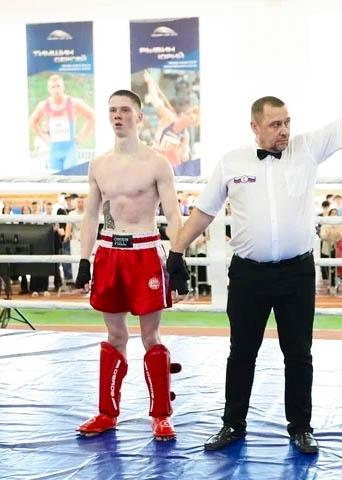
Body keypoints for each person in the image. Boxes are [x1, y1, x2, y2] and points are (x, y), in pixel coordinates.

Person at [166, 49, 342, 454]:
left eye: (288, 122)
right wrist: (177, 251)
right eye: (275, 124)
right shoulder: (231, 161)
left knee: (299, 354)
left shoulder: (306, 149)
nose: (284, 130)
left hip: (296, 274)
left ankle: (300, 427)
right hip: (248, 274)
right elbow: (204, 211)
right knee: (241, 353)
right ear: (255, 127)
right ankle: (232, 424)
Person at [75, 89, 183, 441]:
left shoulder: (156, 163)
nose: (117, 116)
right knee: (115, 335)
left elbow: (173, 214)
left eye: (124, 110)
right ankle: (107, 413)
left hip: (145, 251)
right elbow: (91, 215)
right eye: (112, 110)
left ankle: (161, 415)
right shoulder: (98, 164)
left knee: (150, 335)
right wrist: (83, 259)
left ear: (139, 116)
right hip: (110, 251)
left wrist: (178, 256)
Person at [29, 74, 95, 172]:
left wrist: (81, 137)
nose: (56, 90)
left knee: (70, 177)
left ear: (63, 87)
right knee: (56, 179)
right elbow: (32, 122)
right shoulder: (43, 105)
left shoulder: (73, 103)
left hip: (70, 151)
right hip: (54, 152)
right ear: (49, 89)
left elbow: (92, 116)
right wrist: (44, 137)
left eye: (58, 86)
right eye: (53, 87)